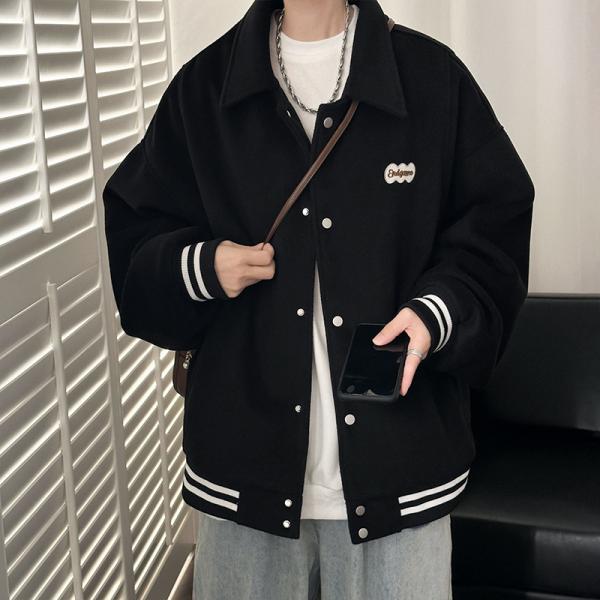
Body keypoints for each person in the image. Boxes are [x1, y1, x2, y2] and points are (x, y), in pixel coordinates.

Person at [102, 0, 535, 598]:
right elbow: (135, 239)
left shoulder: (433, 79)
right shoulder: (203, 90)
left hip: (401, 472)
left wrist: (435, 313)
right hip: (244, 472)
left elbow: (495, 230)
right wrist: (204, 266)